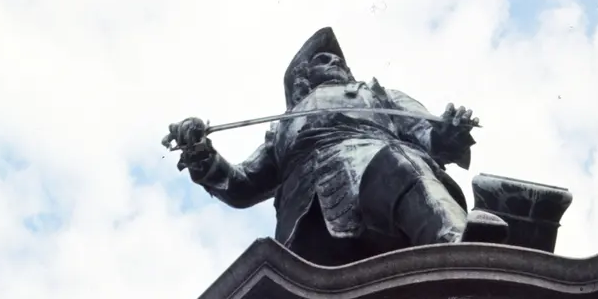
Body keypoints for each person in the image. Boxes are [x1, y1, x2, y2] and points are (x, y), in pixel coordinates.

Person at [162, 26, 509, 265]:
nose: (336, 61)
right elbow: (241, 185)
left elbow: (428, 134)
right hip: (307, 215)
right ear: (302, 77)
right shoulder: (282, 128)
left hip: (381, 178)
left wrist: (449, 132)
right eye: (323, 59)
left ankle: (458, 249)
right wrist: (200, 152)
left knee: (401, 163)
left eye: (338, 59)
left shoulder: (378, 95)